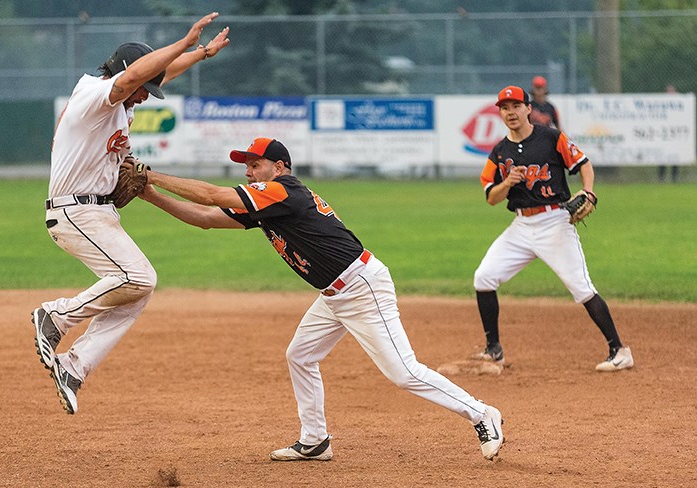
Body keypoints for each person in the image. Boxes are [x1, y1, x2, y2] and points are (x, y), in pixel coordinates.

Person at [138, 137, 505, 462]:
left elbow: (211, 196)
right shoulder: (269, 203)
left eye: (255, 164)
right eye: (246, 166)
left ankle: (481, 413)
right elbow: (205, 217)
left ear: (279, 167)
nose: (249, 172)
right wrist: (150, 195)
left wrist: (152, 176)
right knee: (300, 355)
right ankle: (314, 440)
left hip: (361, 287)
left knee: (403, 372)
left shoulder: (283, 191)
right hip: (333, 294)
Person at [32, 13, 230, 414]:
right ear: (126, 75)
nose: (146, 95)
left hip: (98, 212)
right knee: (135, 277)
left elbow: (157, 75)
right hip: (75, 211)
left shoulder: (120, 103)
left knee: (139, 289)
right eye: (144, 88)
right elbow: (131, 79)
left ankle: (74, 365)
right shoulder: (95, 94)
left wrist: (200, 53)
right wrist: (183, 40)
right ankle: (55, 316)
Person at [472, 85, 634, 372]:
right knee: (484, 278)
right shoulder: (499, 152)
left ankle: (619, 350)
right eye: (504, 107)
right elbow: (490, 198)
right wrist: (507, 183)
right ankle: (494, 350)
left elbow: (583, 163)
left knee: (581, 289)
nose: (510, 112)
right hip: (521, 226)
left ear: (528, 109)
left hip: (554, 223)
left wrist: (589, 192)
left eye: (515, 106)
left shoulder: (551, 137)